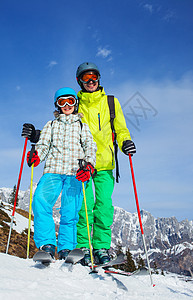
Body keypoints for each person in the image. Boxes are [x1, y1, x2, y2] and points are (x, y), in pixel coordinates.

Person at [75, 62, 136, 265]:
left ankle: (101, 247)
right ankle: (83, 246)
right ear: (80, 81)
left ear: (99, 79)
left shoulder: (111, 102)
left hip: (105, 163)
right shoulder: (75, 104)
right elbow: (62, 127)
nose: (91, 81)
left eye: (94, 77)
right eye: (86, 78)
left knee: (103, 206)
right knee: (84, 205)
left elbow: (120, 127)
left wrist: (125, 141)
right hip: (82, 164)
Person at [25, 87, 97, 259]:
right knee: (40, 201)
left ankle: (67, 248)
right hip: (53, 170)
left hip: (75, 172)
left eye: (70, 101)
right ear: (57, 105)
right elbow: (43, 146)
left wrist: (89, 166)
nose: (66, 105)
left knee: (70, 210)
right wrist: (37, 156)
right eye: (62, 102)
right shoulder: (51, 124)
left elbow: (90, 146)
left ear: (75, 104)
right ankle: (47, 244)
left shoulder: (82, 125)